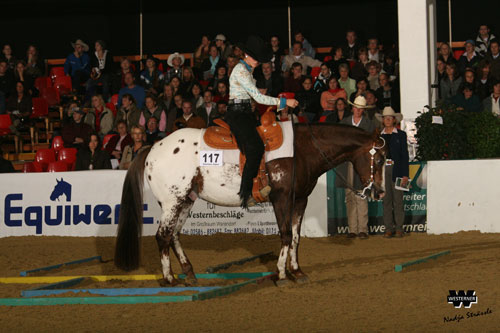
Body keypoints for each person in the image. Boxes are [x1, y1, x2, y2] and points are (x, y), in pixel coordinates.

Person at [228, 35, 298, 207]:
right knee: (256, 147)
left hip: (245, 113)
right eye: (256, 58)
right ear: (246, 55)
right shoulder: (241, 71)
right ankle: (245, 193)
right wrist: (284, 102)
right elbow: (258, 97)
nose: (258, 62)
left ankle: (259, 183)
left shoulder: (247, 70)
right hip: (238, 114)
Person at [335, 96, 375, 239]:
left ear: (363, 110)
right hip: (347, 163)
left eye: (361, 108)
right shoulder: (344, 123)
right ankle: (352, 229)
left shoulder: (369, 125)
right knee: (350, 196)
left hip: (361, 164)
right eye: (357, 108)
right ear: (352, 108)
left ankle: (363, 229)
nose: (358, 110)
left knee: (361, 195)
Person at [375, 107, 409, 238]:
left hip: (398, 170)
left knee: (398, 200)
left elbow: (404, 156)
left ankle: (399, 228)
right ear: (383, 120)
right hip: (383, 171)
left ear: (394, 120)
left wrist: (405, 174)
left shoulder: (401, 135)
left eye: (390, 118)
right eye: (385, 118)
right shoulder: (379, 136)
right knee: (386, 201)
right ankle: (388, 228)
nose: (388, 120)